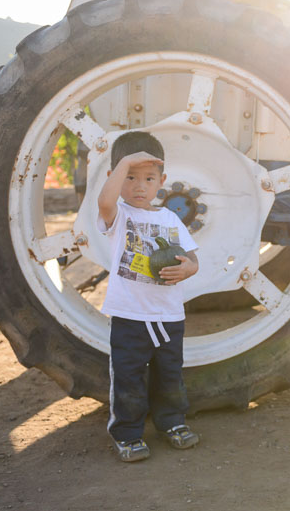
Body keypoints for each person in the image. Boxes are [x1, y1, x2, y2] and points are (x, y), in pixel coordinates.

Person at [97, 131, 200, 462]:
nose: (139, 187)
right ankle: (127, 434)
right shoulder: (120, 216)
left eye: (148, 178)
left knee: (170, 374)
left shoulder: (170, 218)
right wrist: (125, 160)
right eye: (129, 177)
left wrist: (189, 268)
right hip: (129, 315)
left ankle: (172, 423)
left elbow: (192, 258)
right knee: (128, 377)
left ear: (162, 181)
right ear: (116, 176)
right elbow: (105, 202)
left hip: (169, 314)